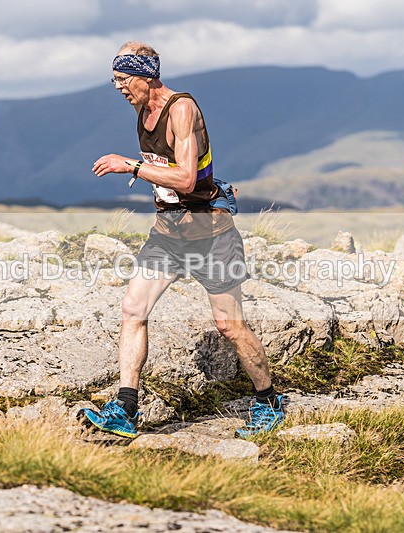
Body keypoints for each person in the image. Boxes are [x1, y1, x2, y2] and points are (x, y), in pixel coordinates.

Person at [79, 41, 284, 439]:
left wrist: (131, 165)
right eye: (115, 79)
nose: (118, 87)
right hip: (169, 234)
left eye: (123, 79)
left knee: (230, 326)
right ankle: (125, 408)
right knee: (132, 309)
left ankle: (268, 400)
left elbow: (187, 178)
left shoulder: (182, 109)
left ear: (146, 75)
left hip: (211, 236)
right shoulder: (142, 109)